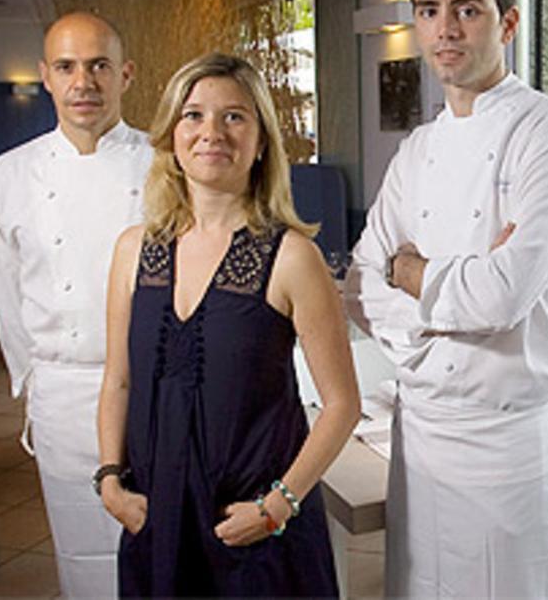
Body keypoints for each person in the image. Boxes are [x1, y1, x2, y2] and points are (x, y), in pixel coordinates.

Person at [343, 0, 548, 598]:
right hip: (420, 433)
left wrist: (413, 272)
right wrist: (445, 306)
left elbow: (502, 296)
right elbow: (360, 285)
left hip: (505, 444)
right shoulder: (417, 149)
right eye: (428, 10)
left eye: (467, 9)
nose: (444, 29)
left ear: (508, 22)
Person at [96, 52, 359, 597]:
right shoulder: (132, 250)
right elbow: (118, 380)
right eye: (193, 115)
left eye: (235, 116)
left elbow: (341, 405)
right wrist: (109, 480)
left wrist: (277, 505)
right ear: (171, 134)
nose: (211, 131)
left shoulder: (291, 257)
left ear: (261, 141)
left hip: (253, 529)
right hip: (158, 517)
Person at [0, 11, 151, 597]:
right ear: (45, 77)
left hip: (153, 388)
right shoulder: (5, 178)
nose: (84, 82)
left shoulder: (167, 168)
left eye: (99, 65)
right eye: (67, 67)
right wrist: (33, 383)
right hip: (62, 392)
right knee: (81, 552)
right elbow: (5, 296)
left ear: (125, 74)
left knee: (158, 544)